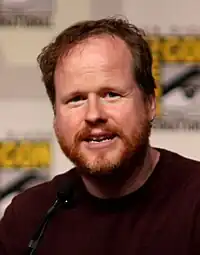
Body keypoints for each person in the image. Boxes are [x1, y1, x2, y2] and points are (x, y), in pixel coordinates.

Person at [0, 17, 200, 255]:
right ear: (56, 119)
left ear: (149, 103)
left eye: (111, 94)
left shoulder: (194, 200)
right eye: (76, 99)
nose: (94, 114)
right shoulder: (29, 217)